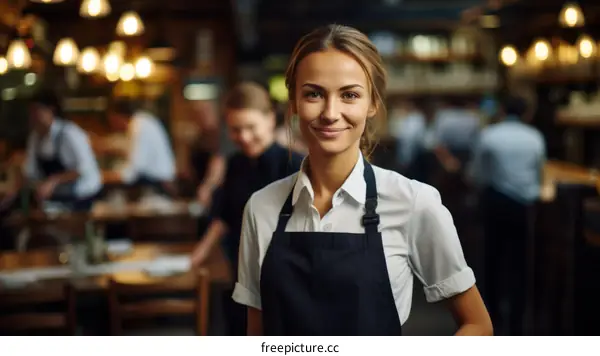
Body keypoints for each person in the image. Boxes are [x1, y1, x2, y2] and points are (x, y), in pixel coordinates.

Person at [232, 25, 493, 336]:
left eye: (349, 95)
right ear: (293, 103)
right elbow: (256, 335)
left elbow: (477, 324)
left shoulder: (413, 202)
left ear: (372, 104)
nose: (330, 112)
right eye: (314, 93)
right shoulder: (261, 208)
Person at [190, 82, 303, 335]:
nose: (243, 137)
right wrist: (197, 255)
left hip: (283, 279)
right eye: (235, 129)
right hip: (240, 272)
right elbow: (223, 217)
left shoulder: (295, 165)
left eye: (251, 127)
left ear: (270, 120)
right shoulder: (234, 164)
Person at [469, 95, 546, 336]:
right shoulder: (534, 137)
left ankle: (491, 315)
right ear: (526, 113)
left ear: (502, 110)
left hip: (496, 201)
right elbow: (539, 174)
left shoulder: (490, 135)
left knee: (492, 258)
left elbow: (477, 173)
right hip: (524, 205)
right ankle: (517, 318)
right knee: (520, 261)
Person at [10, 90, 102, 212]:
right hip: (55, 199)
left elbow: (83, 168)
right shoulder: (35, 138)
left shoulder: (70, 133)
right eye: (31, 111)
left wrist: (54, 181)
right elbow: (31, 172)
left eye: (37, 110)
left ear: (51, 110)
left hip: (82, 197)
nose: (33, 116)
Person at [102, 99, 176, 196]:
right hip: (156, 183)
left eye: (111, 120)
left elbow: (134, 170)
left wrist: (106, 177)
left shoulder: (138, 126)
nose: (112, 125)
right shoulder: (142, 121)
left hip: (157, 187)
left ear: (117, 116)